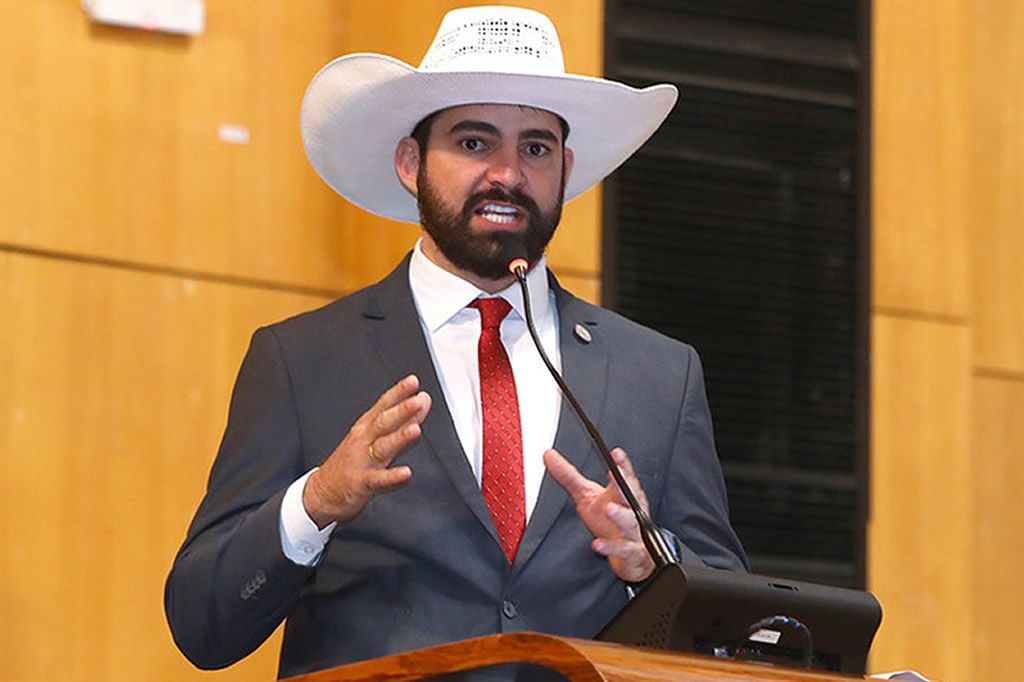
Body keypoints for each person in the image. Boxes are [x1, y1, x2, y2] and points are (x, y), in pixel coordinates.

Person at [165, 5, 747, 679]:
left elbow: (733, 638)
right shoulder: (302, 361)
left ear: (566, 168)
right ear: (411, 163)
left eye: (535, 148)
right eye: (474, 143)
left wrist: (651, 559)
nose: (507, 174)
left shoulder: (659, 374)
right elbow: (201, 624)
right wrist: (315, 503)